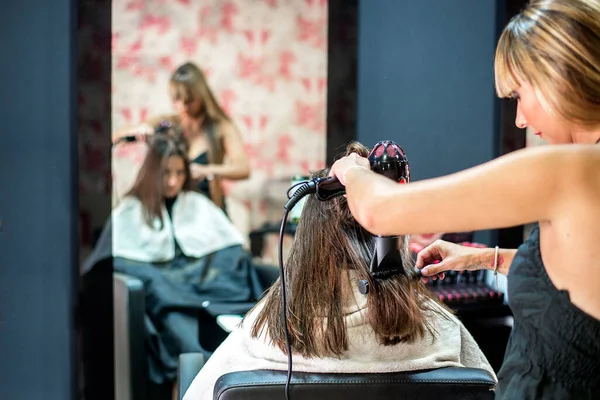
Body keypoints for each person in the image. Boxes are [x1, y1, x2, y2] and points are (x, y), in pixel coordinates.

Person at [329, 1, 600, 398]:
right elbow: (579, 287)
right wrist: (481, 258)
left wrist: (352, 170)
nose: (520, 119)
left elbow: (381, 211)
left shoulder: (571, 170)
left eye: (520, 96)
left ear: (557, 77)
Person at [183, 143, 495, 400]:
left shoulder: (265, 329)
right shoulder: (439, 328)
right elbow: (488, 388)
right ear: (392, 235)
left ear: (307, 240)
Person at [85, 129, 264, 390]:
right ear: (152, 172)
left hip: (207, 298)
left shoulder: (197, 205)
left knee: (236, 342)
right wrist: (167, 280)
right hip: (170, 305)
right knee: (189, 345)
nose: (172, 181)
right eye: (166, 173)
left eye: (180, 173)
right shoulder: (131, 210)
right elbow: (113, 262)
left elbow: (232, 254)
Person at [113, 61, 250, 211]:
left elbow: (243, 169)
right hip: (173, 209)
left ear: (202, 95)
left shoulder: (221, 128)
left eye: (189, 101)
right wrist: (141, 129)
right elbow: (118, 136)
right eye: (177, 100)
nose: (183, 107)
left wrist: (207, 170)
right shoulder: (168, 123)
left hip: (207, 208)